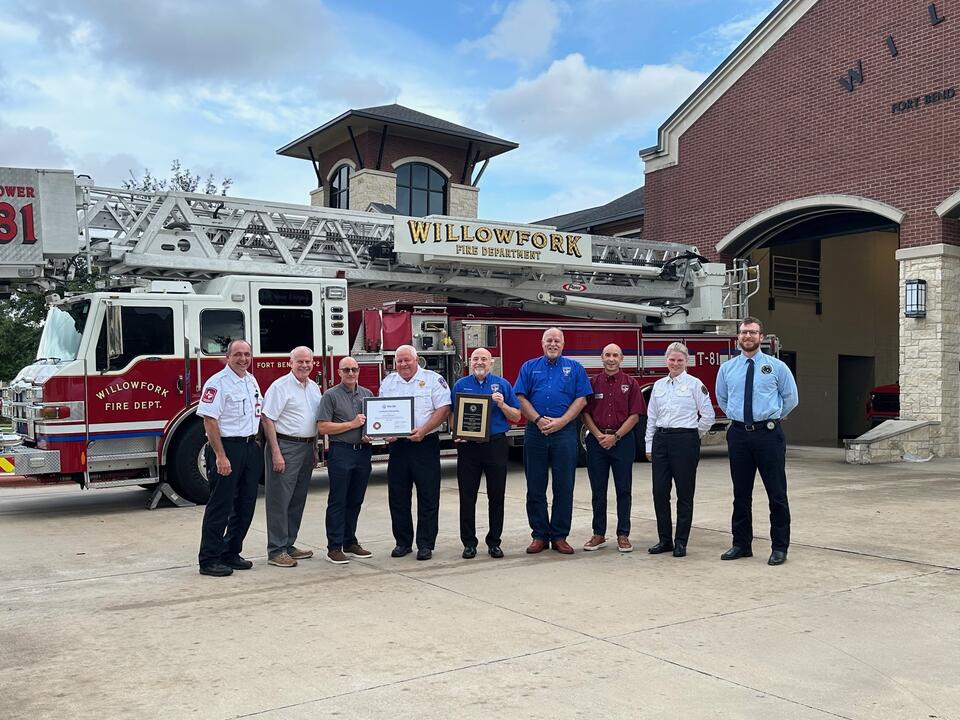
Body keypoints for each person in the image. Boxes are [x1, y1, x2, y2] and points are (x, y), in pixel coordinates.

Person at [716, 317, 798, 566]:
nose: (748, 336)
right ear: (738, 337)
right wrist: (738, 418)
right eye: (743, 332)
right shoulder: (727, 369)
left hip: (768, 435)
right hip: (739, 435)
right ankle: (741, 544)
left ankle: (779, 547)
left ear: (761, 337)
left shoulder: (777, 367)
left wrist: (770, 418)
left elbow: (790, 398)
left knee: (776, 493)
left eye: (752, 332)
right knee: (741, 494)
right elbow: (722, 398)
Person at [514, 327, 592, 555]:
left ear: (563, 343)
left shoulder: (575, 368)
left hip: (564, 433)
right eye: (549, 340)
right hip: (535, 433)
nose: (553, 344)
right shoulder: (529, 367)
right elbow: (520, 397)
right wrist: (537, 420)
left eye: (557, 341)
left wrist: (562, 421)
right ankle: (539, 535)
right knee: (535, 486)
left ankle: (559, 536)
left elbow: (582, 399)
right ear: (542, 343)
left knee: (564, 486)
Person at [196, 339, 264, 577]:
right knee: (220, 505)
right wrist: (220, 456)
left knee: (245, 505)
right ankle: (209, 559)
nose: (243, 358)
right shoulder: (217, 383)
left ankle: (231, 552)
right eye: (238, 354)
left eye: (247, 354)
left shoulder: (250, 380)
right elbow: (209, 420)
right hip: (227, 449)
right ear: (228, 357)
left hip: (248, 447)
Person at [379, 344, 451, 561]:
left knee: (428, 495)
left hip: (425, 444)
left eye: (407, 360)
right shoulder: (388, 382)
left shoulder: (432, 379)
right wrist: (386, 432)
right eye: (398, 361)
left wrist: (424, 430)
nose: (402, 364)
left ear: (416, 359)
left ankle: (425, 543)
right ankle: (403, 542)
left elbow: (444, 409)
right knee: (398, 496)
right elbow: (381, 411)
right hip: (399, 447)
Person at [644, 342, 715, 558]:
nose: (675, 363)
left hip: (685, 440)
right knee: (660, 493)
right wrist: (648, 444)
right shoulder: (658, 385)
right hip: (661, 440)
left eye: (680, 360)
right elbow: (651, 418)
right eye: (672, 360)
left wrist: (693, 435)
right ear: (666, 360)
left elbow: (708, 415)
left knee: (684, 493)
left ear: (686, 362)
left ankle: (681, 541)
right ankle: (664, 540)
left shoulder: (695, 384)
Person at [451, 347, 522, 559]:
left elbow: (517, 416)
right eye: (475, 359)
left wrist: (501, 404)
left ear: (491, 362)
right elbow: (453, 413)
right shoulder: (460, 385)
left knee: (496, 495)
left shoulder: (503, 384)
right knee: (467, 495)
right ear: (470, 363)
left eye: (484, 358)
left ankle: (494, 542)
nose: (479, 362)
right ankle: (469, 543)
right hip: (469, 446)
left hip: (496, 444)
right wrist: (456, 434)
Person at [260, 346, 322, 568]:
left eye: (308, 361)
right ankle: (276, 550)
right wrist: (275, 452)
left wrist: (314, 448)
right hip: (285, 446)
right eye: (300, 361)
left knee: (297, 499)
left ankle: (288, 543)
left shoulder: (314, 387)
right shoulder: (280, 387)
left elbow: (314, 421)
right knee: (280, 500)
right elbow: (268, 419)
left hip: (306, 448)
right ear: (290, 362)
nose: (305, 365)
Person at [581, 343, 644, 553]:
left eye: (615, 355)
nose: (611, 358)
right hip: (597, 442)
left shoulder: (631, 383)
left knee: (623, 489)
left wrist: (615, 436)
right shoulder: (592, 383)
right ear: (601, 358)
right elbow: (585, 413)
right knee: (598, 490)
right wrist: (599, 435)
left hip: (622, 441)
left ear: (621, 358)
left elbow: (635, 415)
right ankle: (598, 533)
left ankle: (623, 534)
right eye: (607, 354)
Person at [317, 356, 375, 565]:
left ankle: (350, 541)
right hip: (341, 452)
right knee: (338, 500)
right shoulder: (330, 396)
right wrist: (351, 424)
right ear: (339, 372)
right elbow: (323, 427)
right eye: (346, 370)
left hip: (363, 452)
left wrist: (371, 434)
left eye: (354, 369)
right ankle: (334, 547)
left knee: (355, 500)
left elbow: (373, 424)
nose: (351, 373)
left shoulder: (367, 394)